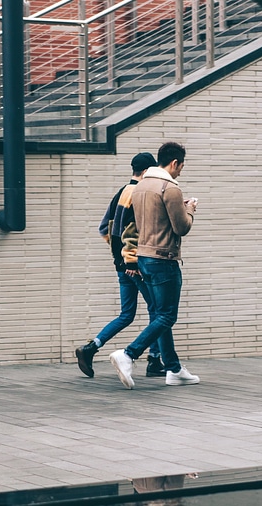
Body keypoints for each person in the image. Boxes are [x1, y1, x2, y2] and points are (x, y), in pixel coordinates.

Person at [109, 141, 199, 389]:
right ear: (174, 163)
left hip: (144, 257)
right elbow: (181, 227)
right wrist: (189, 210)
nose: (180, 171)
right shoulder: (170, 189)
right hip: (164, 258)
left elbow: (144, 222)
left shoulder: (140, 187)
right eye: (180, 166)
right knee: (167, 315)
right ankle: (128, 354)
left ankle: (173, 369)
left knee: (161, 314)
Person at [75, 152, 167, 378]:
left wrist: (119, 258)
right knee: (159, 312)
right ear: (146, 171)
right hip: (133, 266)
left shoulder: (120, 193)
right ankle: (154, 360)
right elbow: (130, 232)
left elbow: (105, 229)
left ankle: (91, 347)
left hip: (122, 265)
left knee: (127, 314)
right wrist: (131, 260)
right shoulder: (137, 193)